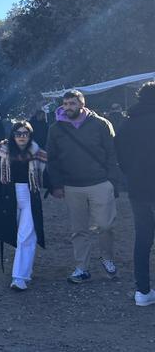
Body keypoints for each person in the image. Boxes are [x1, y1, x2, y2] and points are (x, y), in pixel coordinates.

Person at [47, 90, 122, 284]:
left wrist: (113, 181)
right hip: (72, 185)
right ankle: (82, 267)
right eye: (65, 103)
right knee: (78, 229)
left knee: (105, 226)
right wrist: (56, 184)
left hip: (100, 182)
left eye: (72, 103)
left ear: (82, 104)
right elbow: (52, 159)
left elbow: (112, 154)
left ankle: (107, 259)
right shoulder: (56, 129)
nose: (68, 107)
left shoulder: (101, 124)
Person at [0, 121, 52, 291]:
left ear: (30, 135)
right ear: (13, 135)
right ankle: (24, 269)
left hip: (30, 194)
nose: (22, 136)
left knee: (27, 236)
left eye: (26, 133)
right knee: (12, 233)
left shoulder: (38, 152)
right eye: (18, 133)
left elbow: (46, 174)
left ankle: (19, 277)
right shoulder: (1, 150)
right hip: (8, 195)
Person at [115, 81, 155, 306]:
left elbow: (119, 154)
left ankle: (142, 291)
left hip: (138, 189)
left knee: (142, 240)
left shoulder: (127, 124)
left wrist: (131, 174)